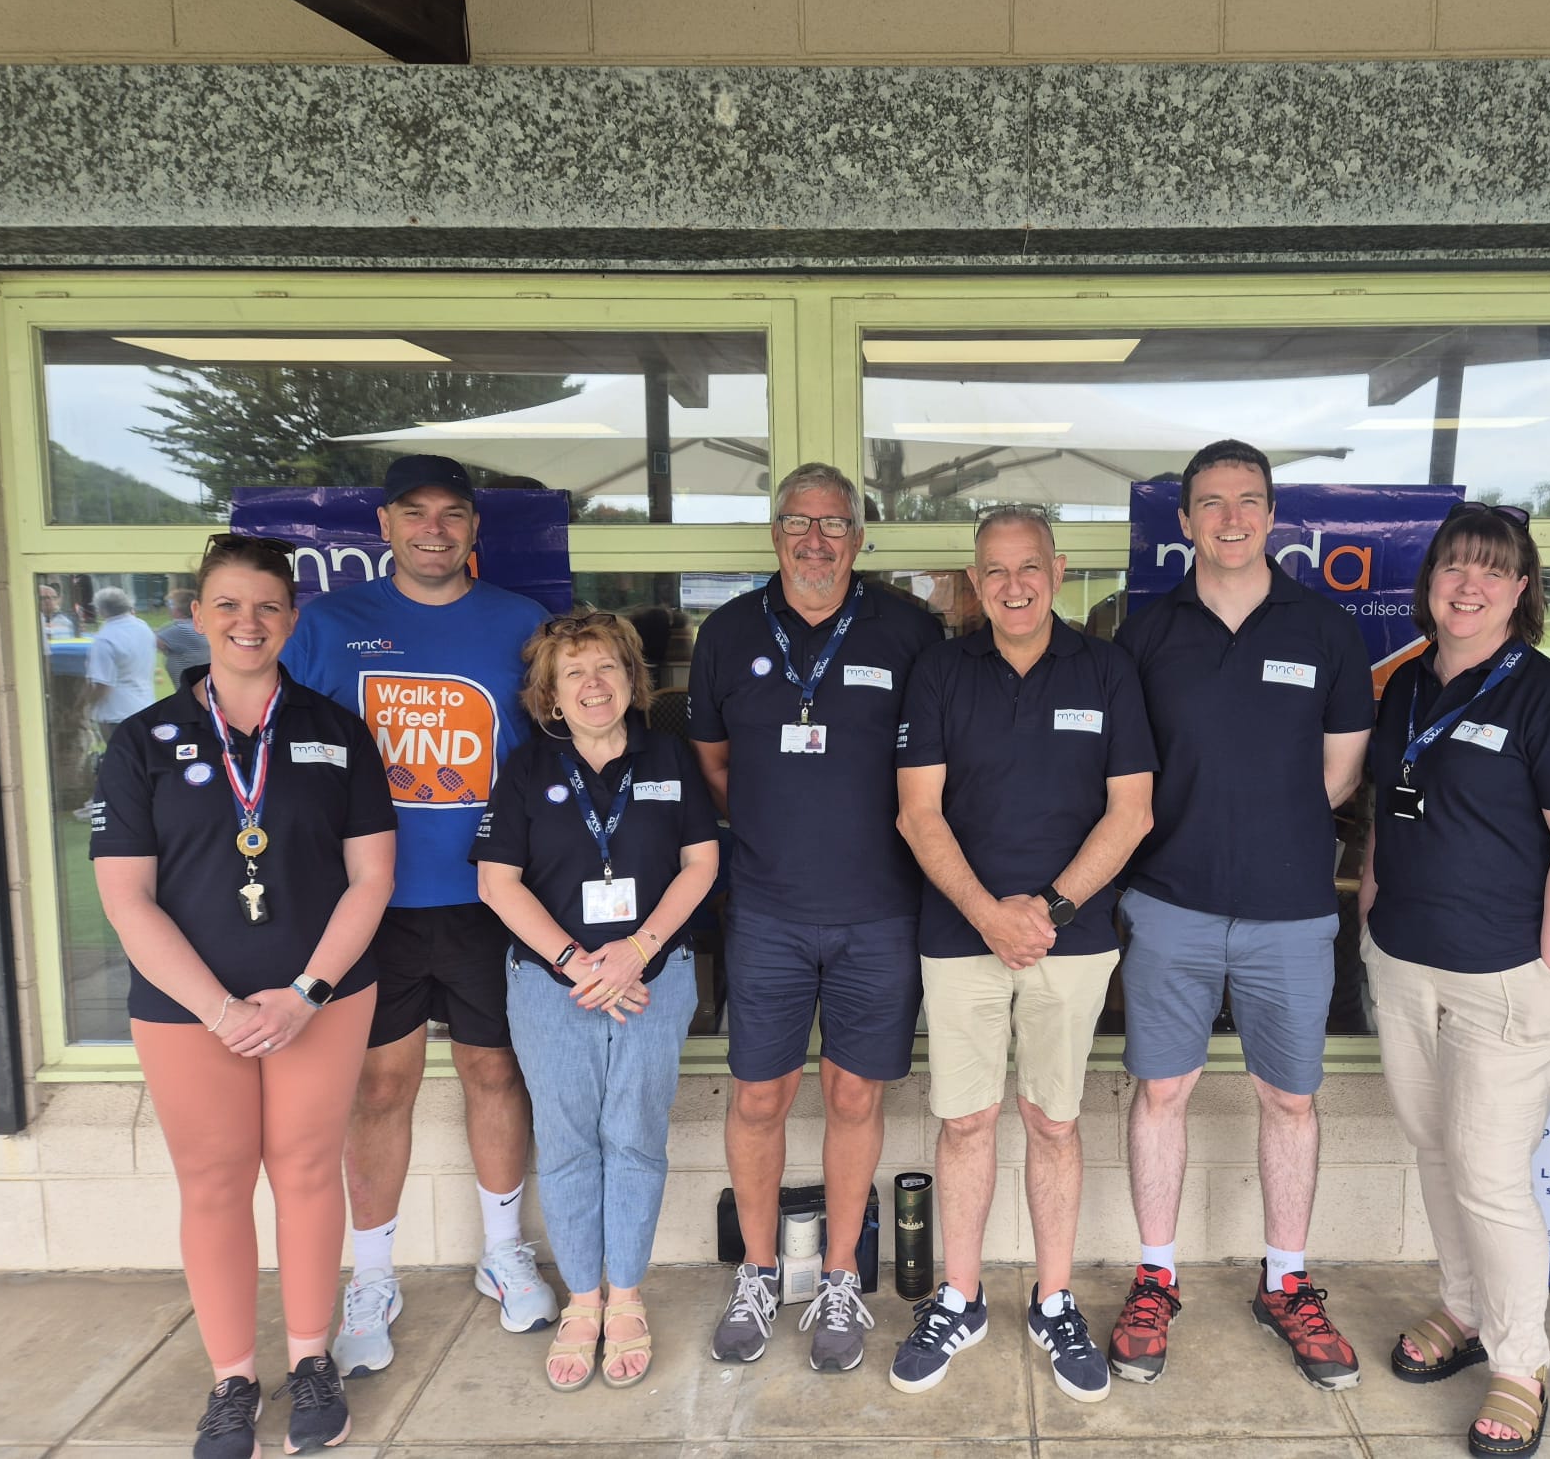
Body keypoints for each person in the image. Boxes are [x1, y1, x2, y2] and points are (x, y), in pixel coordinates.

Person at [89, 534, 397, 1459]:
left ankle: (310, 1360)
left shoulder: (339, 731)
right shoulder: (141, 742)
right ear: (197, 615)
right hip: (188, 1009)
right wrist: (220, 1010)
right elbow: (125, 898)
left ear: (292, 620)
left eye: (266, 606)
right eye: (227, 604)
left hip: (320, 999)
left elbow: (372, 878)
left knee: (306, 1172)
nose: (247, 623)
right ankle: (231, 1379)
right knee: (216, 1183)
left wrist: (303, 994)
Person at [283, 452, 557, 1375]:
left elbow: (553, 755)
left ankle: (503, 1252)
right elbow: (284, 753)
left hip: (490, 897)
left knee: (495, 1073)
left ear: (474, 528)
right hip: (371, 905)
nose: (433, 529)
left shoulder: (520, 625)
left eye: (451, 514)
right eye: (415, 512)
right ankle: (371, 1276)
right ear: (385, 526)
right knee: (381, 1087)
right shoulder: (329, 626)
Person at [1109, 439, 1374, 1389]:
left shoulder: (1326, 629)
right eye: (1212, 503)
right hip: (1168, 903)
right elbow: (1124, 773)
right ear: (1184, 521)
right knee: (1161, 1093)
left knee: (1289, 1100)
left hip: (1290, 909)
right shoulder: (1145, 634)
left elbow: (1340, 773)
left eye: (1248, 500)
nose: (1231, 518)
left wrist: (1264, 831)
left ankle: (1287, 1281)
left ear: (1272, 515)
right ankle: (1156, 1276)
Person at [1358, 501, 1550, 1459]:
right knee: (1436, 1150)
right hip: (1403, 961)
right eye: (1453, 568)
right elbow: (1388, 808)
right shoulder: (1405, 686)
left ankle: (1520, 1362)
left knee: (1492, 1176)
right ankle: (1464, 1309)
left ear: (1521, 590)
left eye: (1492, 571)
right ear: (1430, 583)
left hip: (1506, 977)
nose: (1469, 586)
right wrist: (1371, 911)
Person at [889, 507, 1155, 1403]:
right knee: (966, 1122)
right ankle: (960, 1300)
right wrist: (986, 915)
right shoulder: (939, 672)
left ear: (1058, 569)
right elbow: (918, 813)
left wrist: (1047, 910)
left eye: (1029, 566)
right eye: (995, 570)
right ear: (975, 579)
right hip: (958, 936)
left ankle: (1053, 1301)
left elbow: (1131, 812)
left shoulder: (1107, 670)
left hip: (1069, 940)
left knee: (1053, 1121)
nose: (1013, 586)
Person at [689, 461, 942, 1373]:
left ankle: (839, 1278)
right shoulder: (727, 632)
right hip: (767, 911)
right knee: (759, 1095)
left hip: (881, 914)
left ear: (860, 539)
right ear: (775, 533)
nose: (816, 540)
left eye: (835, 525)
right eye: (800, 522)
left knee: (853, 1095)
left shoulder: (910, 632)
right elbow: (714, 765)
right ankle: (759, 1273)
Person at [475, 610, 721, 1391]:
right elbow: (497, 882)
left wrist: (637, 950)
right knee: (569, 1144)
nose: (592, 684)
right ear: (550, 693)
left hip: (653, 978)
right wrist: (576, 962)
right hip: (554, 988)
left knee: (636, 1137)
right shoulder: (527, 768)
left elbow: (701, 862)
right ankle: (584, 1300)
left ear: (631, 678)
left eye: (607, 666)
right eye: (573, 672)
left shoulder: (668, 756)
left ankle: (628, 1296)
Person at [86, 585, 159, 738]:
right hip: (146, 706)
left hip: (117, 713)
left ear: (101, 610)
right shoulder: (143, 627)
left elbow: (102, 685)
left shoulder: (105, 639)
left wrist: (85, 706)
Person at [157, 586, 212, 685]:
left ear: (177, 608)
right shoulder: (201, 626)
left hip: (193, 690)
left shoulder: (180, 629)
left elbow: (147, 641)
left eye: (170, 604)